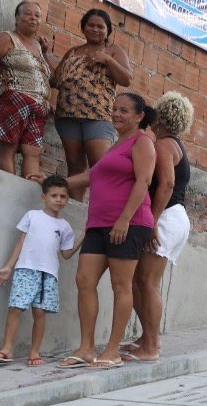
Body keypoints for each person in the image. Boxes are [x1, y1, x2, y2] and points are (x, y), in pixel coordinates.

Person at [59, 92, 156, 368]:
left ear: (139, 116)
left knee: (120, 285)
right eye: (114, 109)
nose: (116, 114)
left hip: (128, 223)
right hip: (98, 224)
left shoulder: (142, 142)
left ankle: (112, 351)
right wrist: (57, 182)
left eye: (124, 110)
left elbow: (144, 181)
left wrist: (124, 219)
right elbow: (92, 176)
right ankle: (86, 348)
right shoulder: (115, 146)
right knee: (84, 280)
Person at [125, 91, 195, 363]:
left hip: (166, 216)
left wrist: (150, 222)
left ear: (162, 116)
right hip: (173, 216)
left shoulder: (165, 145)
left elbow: (165, 184)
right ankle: (147, 337)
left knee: (147, 282)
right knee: (138, 281)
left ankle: (151, 346)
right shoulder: (174, 144)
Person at [0, 175, 80, 367]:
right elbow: (21, 242)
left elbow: (66, 254)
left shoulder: (64, 226)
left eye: (63, 196)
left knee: (39, 313)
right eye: (54, 195)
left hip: (48, 274)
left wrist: (84, 235)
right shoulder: (32, 216)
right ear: (43, 197)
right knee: (15, 308)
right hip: (26, 269)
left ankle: (34, 351)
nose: (59, 200)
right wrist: (8, 267)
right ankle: (6, 348)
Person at [0, 0, 58, 182]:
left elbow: (53, 80)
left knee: (33, 152)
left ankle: (26, 197)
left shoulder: (38, 47)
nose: (33, 18)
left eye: (37, 15)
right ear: (17, 17)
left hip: (38, 107)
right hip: (13, 100)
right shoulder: (8, 38)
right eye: (28, 14)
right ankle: (7, 191)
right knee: (9, 149)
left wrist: (45, 53)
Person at [51, 8, 131, 182]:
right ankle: (75, 207)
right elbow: (54, 80)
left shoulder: (113, 51)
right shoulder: (72, 52)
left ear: (107, 30)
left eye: (100, 27)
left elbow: (127, 79)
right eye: (91, 25)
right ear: (83, 28)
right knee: (75, 165)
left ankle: (100, 207)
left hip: (97, 116)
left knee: (100, 166)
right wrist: (43, 54)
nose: (95, 29)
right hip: (67, 116)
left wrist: (108, 60)